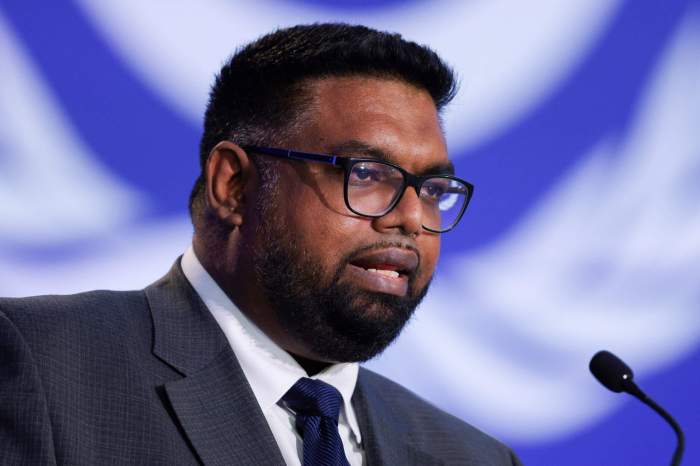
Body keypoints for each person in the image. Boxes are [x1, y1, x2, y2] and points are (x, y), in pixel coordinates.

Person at [0, 23, 521, 466]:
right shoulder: (41, 367)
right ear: (233, 185)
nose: (411, 217)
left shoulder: (471, 456)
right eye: (366, 173)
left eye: (432, 190)